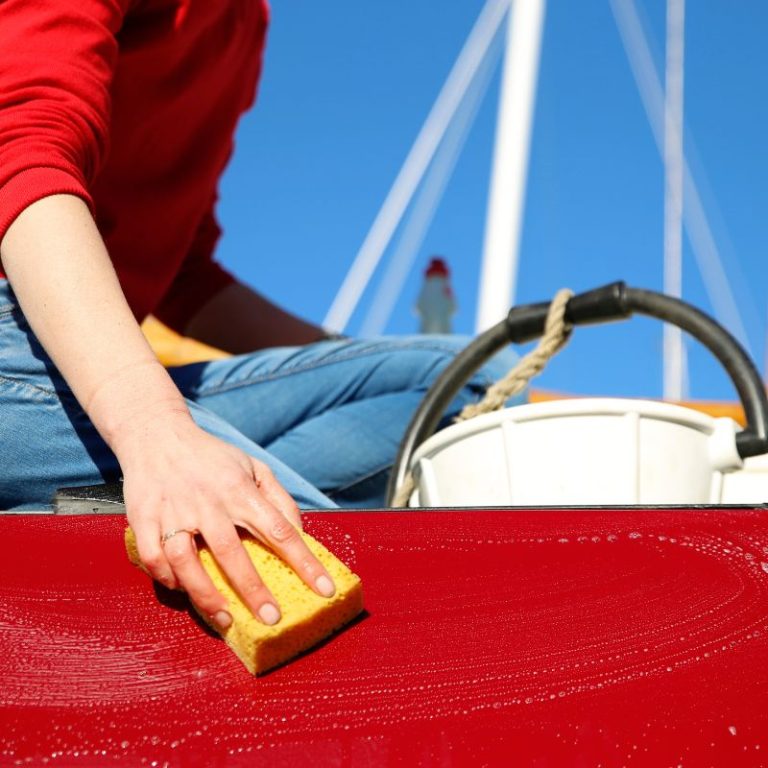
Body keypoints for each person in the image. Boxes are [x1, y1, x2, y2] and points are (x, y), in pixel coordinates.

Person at [0, 2, 522, 631]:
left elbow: (187, 275)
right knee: (326, 568)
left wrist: (338, 367)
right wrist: (156, 434)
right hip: (27, 340)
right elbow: (18, 156)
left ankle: (144, 498)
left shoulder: (242, 24)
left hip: (76, 363)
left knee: (462, 379)